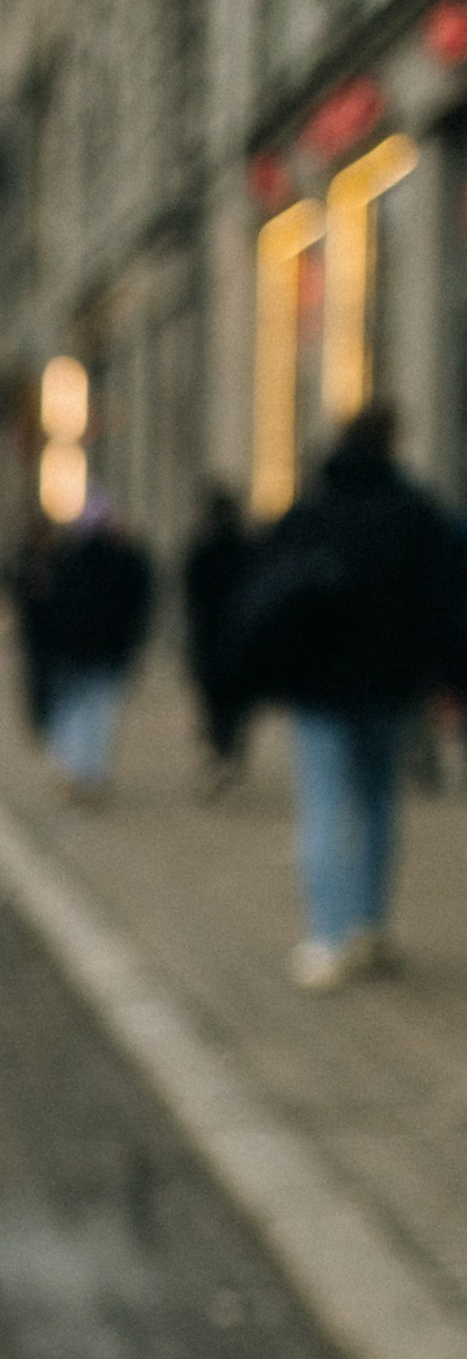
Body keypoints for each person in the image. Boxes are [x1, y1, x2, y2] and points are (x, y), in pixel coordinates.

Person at [224, 403, 467, 989]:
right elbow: (447, 607)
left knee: (326, 806)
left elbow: (263, 598)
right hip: (388, 690)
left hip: (319, 691)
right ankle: (368, 926)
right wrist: (449, 682)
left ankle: (328, 938)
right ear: (393, 445)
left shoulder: (310, 513)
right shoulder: (416, 514)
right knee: (380, 803)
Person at [22, 492, 155, 801]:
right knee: (99, 714)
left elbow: (53, 609)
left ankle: (75, 771)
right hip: (105, 654)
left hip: (74, 653)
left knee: (73, 711)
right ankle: (93, 771)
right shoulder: (123, 560)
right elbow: (136, 607)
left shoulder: (68, 561)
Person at [180, 482, 252, 786]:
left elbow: (190, 593)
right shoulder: (245, 547)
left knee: (213, 699)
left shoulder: (202, 547)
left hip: (209, 636)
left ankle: (219, 748)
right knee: (235, 701)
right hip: (239, 636)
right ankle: (228, 749)